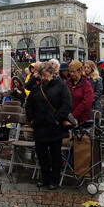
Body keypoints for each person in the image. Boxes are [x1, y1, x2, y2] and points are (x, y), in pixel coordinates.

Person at [25, 62, 72, 190]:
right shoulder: (37, 87)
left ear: (52, 74)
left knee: (55, 155)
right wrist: (32, 120)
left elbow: (66, 104)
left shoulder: (61, 86)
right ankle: (44, 178)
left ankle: (54, 180)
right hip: (39, 127)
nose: (44, 78)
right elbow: (28, 105)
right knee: (42, 155)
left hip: (54, 127)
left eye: (46, 75)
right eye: (42, 75)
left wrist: (58, 119)